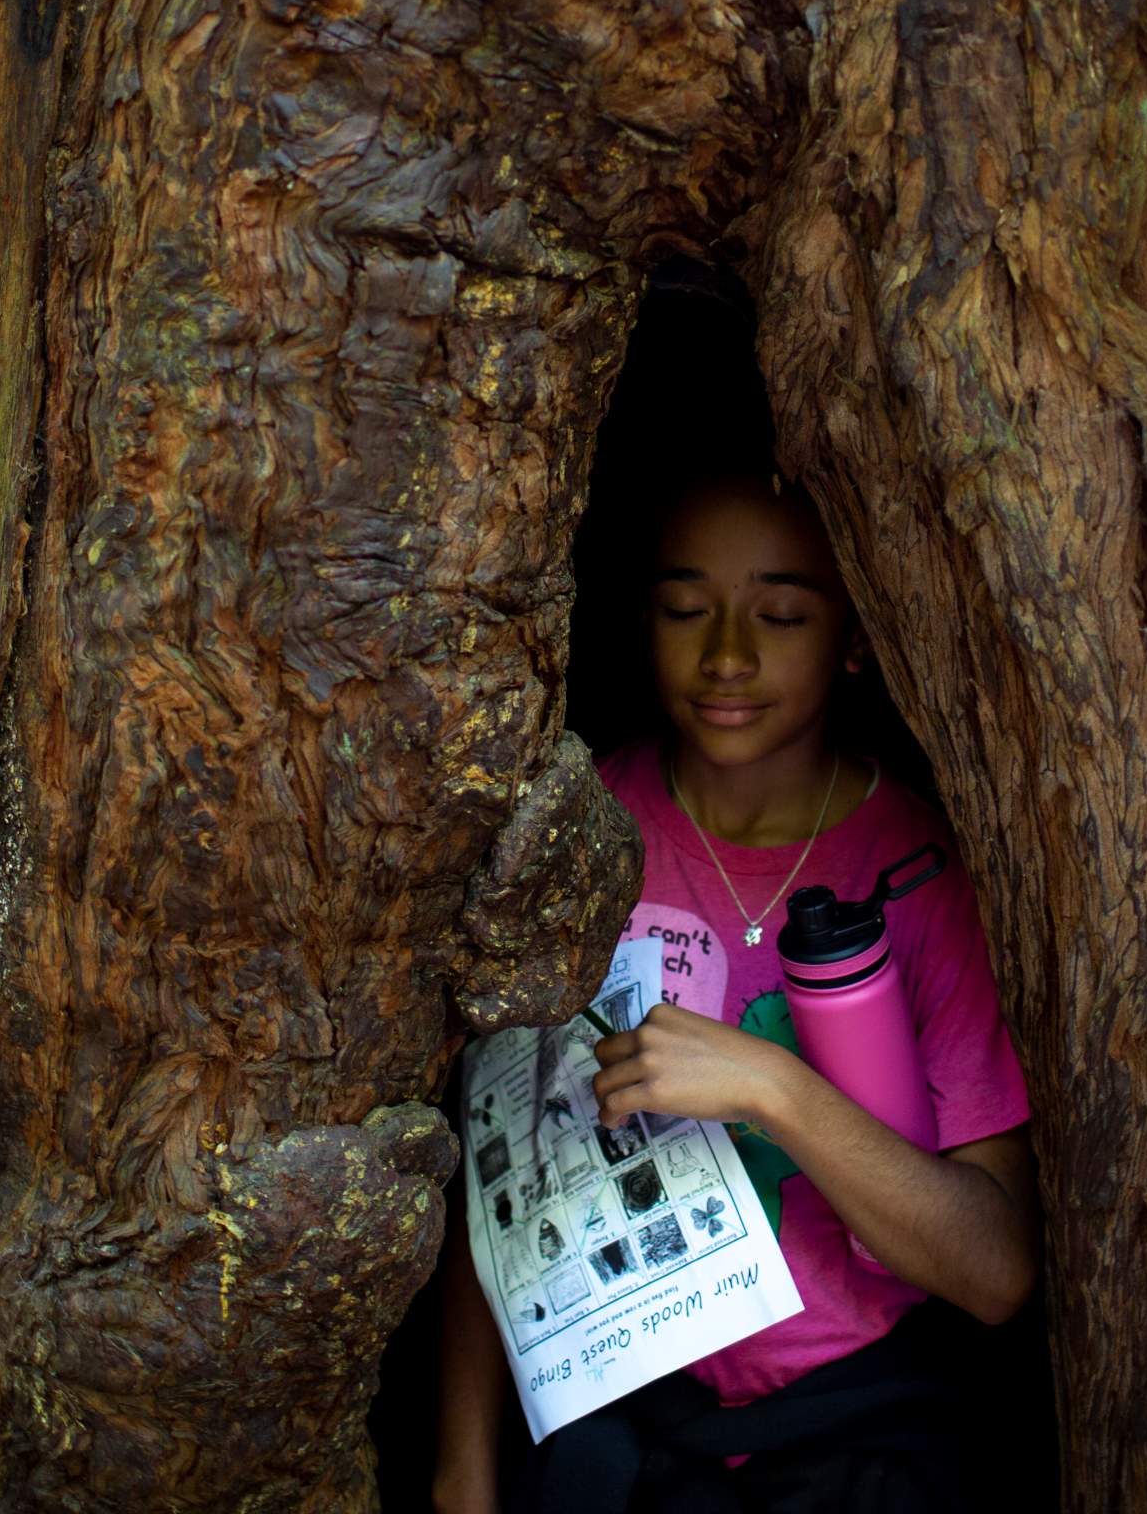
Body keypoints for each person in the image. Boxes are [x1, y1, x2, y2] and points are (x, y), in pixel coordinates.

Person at [434, 472, 1038, 1514]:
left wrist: (773, 1087)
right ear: (641, 622)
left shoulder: (924, 875)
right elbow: (494, 1189)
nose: (726, 655)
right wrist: (463, 1475)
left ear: (854, 636)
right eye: (684, 610)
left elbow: (994, 1274)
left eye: (781, 615)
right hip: (613, 1420)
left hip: (860, 1434)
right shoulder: (576, 839)